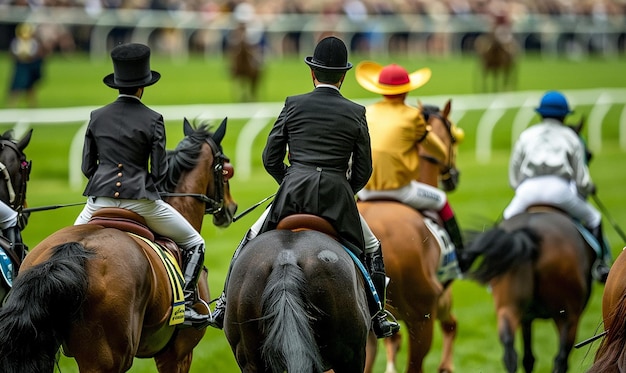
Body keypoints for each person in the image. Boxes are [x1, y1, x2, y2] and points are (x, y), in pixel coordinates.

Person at [209, 36, 400, 338]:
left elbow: (270, 157)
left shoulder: (293, 104)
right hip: (337, 197)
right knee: (373, 248)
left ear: (313, 73)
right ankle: (378, 315)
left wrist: (290, 179)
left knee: (249, 239)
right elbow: (364, 170)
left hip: (293, 191)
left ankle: (222, 305)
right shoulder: (355, 112)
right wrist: (342, 188)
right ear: (343, 75)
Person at [74, 43, 211, 329]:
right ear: (143, 87)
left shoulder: (96, 117)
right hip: (142, 203)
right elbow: (160, 173)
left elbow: (88, 167)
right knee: (195, 242)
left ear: (118, 84)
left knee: (65, 249)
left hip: (98, 202)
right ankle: (185, 306)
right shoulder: (153, 119)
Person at [354, 61, 466, 258]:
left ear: (381, 90)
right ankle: (460, 254)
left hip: (366, 191)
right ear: (406, 92)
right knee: (440, 199)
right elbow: (438, 151)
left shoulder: (366, 112)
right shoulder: (413, 116)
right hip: (401, 191)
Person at [503, 90, 611, 283]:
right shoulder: (571, 136)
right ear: (564, 115)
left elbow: (514, 176)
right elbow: (581, 179)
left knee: (506, 220)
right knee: (594, 217)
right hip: (559, 191)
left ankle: (498, 267)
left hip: (527, 191)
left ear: (541, 114)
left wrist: (522, 190)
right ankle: (600, 266)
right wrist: (588, 188)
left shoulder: (526, 135)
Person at [6, 23, 45, 108]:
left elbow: (37, 54)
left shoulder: (34, 42)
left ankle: (33, 105)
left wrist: (29, 57)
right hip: (20, 66)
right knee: (16, 85)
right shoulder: (16, 42)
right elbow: (12, 53)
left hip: (29, 67)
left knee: (30, 86)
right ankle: (12, 105)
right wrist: (20, 56)